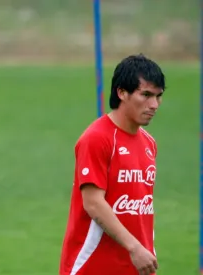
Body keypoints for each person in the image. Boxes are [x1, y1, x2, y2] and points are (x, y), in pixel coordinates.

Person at [59, 54, 166, 275]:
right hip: (93, 267)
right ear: (122, 93)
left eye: (158, 96)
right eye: (146, 95)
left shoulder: (149, 143)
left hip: (136, 266)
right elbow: (93, 203)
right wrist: (135, 247)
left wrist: (145, 251)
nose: (154, 105)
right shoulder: (97, 138)